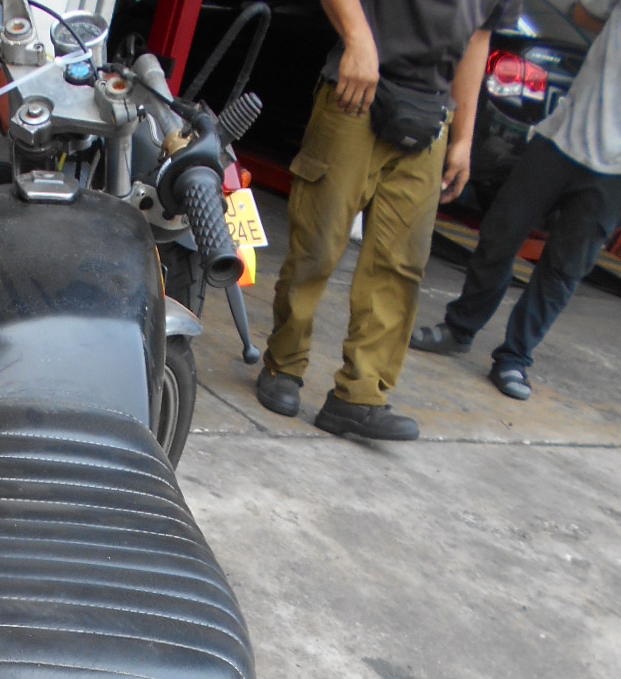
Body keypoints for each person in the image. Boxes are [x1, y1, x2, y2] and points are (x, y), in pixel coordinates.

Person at [255, 0, 513, 441]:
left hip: (432, 111)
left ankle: (359, 395)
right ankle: (284, 364)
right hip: (357, 89)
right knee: (318, 243)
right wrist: (357, 39)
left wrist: (464, 136)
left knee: (400, 263)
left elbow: (478, 37)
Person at [410, 1, 621, 401]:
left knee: (564, 267)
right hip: (559, 137)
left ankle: (514, 357)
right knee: (500, 233)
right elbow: (582, 15)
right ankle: (459, 328)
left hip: (615, 172)